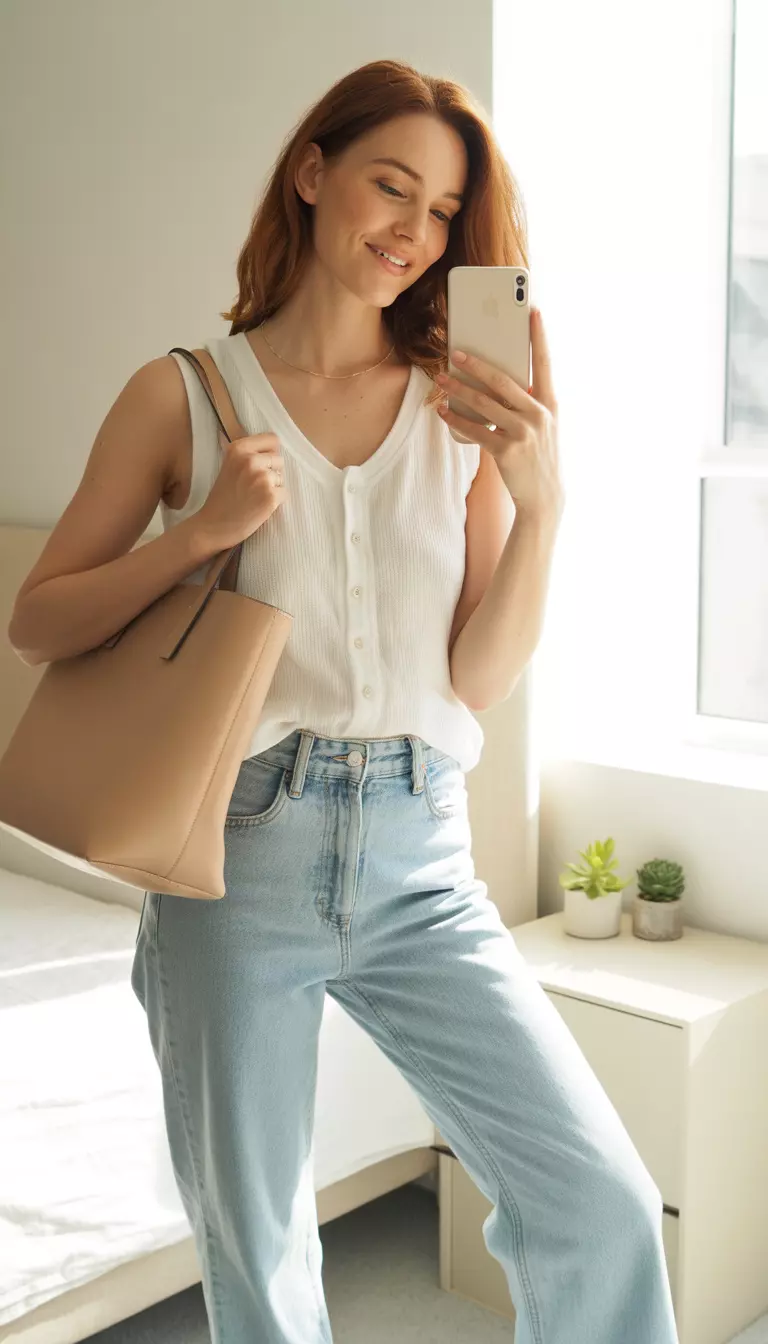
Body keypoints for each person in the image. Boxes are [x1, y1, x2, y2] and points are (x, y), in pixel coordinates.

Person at [9, 57, 677, 1344]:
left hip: (423, 858)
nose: (413, 230)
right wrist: (202, 533)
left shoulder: (458, 412)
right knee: (262, 1267)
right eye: (391, 185)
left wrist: (541, 504)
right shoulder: (184, 394)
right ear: (312, 174)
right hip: (239, 859)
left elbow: (475, 677)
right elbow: (37, 621)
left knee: (600, 1203)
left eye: (442, 211)